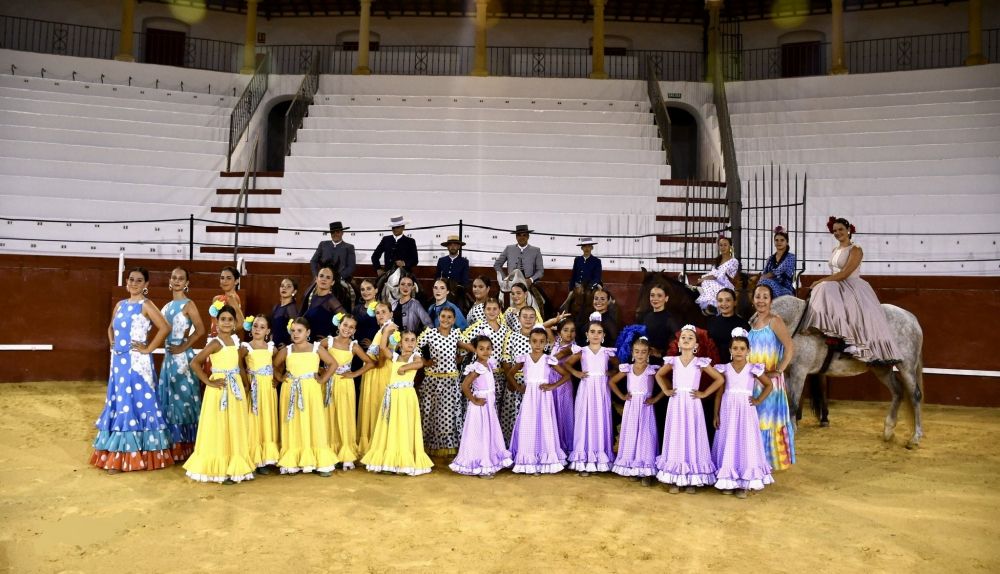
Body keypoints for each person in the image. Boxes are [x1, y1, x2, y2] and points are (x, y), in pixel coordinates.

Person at [91, 267, 173, 473]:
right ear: (126, 282)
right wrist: (113, 343)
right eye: (131, 280)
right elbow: (111, 327)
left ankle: (129, 457)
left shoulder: (147, 305)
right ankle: (121, 454)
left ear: (146, 285)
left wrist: (148, 348)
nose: (134, 283)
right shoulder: (120, 304)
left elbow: (165, 327)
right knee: (120, 402)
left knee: (134, 402)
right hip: (118, 362)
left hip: (137, 363)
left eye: (139, 280)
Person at [806, 216, 901, 364]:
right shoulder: (834, 250)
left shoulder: (856, 250)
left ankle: (852, 343)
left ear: (849, 230)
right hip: (835, 284)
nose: (837, 233)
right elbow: (835, 273)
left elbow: (845, 273)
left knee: (823, 287)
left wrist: (820, 280)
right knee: (824, 288)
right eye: (835, 231)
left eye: (841, 229)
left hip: (851, 284)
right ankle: (831, 332)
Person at [183, 304, 256, 484]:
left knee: (234, 424)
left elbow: (239, 365)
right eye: (223, 319)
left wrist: (246, 384)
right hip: (220, 390)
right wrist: (209, 381)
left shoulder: (236, 341)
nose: (226, 322)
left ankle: (234, 464)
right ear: (217, 322)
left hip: (236, 389)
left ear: (235, 323)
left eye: (230, 319)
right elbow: (194, 363)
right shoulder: (215, 343)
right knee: (220, 425)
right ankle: (220, 469)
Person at [654, 325, 725, 493]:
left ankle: (692, 477)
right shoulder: (673, 361)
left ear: (696, 345)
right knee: (677, 435)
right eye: (683, 337)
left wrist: (704, 393)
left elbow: (719, 379)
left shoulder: (700, 362)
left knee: (692, 435)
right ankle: (675, 477)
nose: (686, 340)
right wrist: (666, 390)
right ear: (678, 343)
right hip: (676, 403)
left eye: (690, 338)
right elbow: (658, 375)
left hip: (693, 404)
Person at [361, 326, 434, 476]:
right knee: (391, 426)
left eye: (413, 340)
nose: (410, 343)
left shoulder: (415, 356)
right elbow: (382, 348)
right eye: (406, 340)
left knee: (404, 425)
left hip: (406, 397)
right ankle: (389, 461)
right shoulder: (395, 357)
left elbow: (420, 364)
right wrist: (387, 331)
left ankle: (404, 461)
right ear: (400, 343)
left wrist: (405, 367)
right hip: (393, 396)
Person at [274, 317, 340, 476]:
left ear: (308, 332)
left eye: (299, 331)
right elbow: (274, 365)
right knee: (294, 422)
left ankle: (320, 461)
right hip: (291, 390)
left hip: (311, 390)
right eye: (293, 331)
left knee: (313, 421)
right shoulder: (287, 350)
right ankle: (293, 460)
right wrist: (280, 377)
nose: (295, 334)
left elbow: (333, 364)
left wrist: (323, 379)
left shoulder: (316, 348)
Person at [713, 329, 775, 499]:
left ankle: (743, 483)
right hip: (728, 411)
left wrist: (758, 400)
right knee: (729, 441)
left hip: (746, 412)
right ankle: (728, 479)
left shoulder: (753, 369)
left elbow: (769, 385)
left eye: (742, 348)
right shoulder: (724, 369)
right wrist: (716, 414)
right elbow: (719, 394)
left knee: (744, 442)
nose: (738, 351)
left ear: (748, 351)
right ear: (730, 350)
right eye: (735, 348)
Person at [158, 266, 206, 462]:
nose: (177, 281)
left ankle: (187, 447)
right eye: (174, 277)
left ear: (186, 283)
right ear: (170, 280)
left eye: (180, 278)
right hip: (168, 359)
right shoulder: (167, 306)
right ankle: (173, 446)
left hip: (182, 360)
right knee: (169, 399)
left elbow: (200, 330)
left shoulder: (189, 304)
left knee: (183, 399)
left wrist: (183, 346)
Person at [508, 328, 570, 475]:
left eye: (542, 341)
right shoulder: (524, 359)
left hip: (544, 398)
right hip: (529, 398)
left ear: (546, 343)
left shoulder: (548, 359)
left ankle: (543, 457)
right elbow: (510, 374)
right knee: (528, 425)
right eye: (534, 341)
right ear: (529, 342)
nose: (538, 344)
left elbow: (566, 375)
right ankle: (529, 458)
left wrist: (552, 386)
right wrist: (519, 387)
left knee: (544, 424)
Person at [450, 336, 513, 478]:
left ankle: (489, 460)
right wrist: (474, 399)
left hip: (489, 405)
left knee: (488, 432)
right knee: (481, 433)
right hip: (481, 406)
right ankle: (481, 463)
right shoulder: (477, 367)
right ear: (476, 350)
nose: (485, 351)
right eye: (481, 349)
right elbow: (465, 385)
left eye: (488, 348)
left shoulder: (489, 364)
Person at [749, 284, 796, 471]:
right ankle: (757, 461)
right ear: (753, 299)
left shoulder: (775, 321)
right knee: (757, 420)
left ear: (771, 301)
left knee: (767, 420)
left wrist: (779, 370)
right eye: (758, 296)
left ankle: (769, 462)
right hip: (754, 382)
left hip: (770, 383)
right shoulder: (753, 323)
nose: (761, 300)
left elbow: (790, 348)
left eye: (765, 297)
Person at [416, 307, 474, 457]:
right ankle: (429, 446)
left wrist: (460, 358)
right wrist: (425, 362)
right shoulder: (430, 333)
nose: (446, 320)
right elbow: (415, 347)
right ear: (438, 317)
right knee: (430, 413)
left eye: (449, 317)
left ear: (454, 320)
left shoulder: (456, 334)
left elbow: (469, 348)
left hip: (450, 381)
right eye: (443, 316)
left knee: (448, 415)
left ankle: (447, 447)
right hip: (433, 381)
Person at [562, 321, 618, 476]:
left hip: (601, 389)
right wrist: (576, 373)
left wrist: (611, 373)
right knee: (584, 419)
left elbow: (618, 367)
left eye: (599, 332)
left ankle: (600, 459)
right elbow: (567, 364)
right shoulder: (582, 351)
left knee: (600, 419)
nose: (595, 335)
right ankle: (583, 459)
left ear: (604, 335)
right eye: (592, 332)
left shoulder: (607, 352)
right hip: (586, 389)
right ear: (587, 335)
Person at [323, 314, 374, 470]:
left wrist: (354, 374)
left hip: (345, 384)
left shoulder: (354, 346)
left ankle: (346, 453)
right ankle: (330, 452)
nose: (347, 329)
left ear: (354, 331)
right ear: (339, 325)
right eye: (345, 325)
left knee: (345, 417)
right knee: (328, 416)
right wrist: (320, 370)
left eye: (351, 327)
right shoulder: (328, 342)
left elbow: (370, 362)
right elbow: (312, 354)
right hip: (329, 383)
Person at [608, 336, 661, 485]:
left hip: (645, 408)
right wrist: (622, 396)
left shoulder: (651, 370)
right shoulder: (628, 369)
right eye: (637, 351)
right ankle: (633, 467)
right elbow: (612, 382)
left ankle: (646, 470)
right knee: (631, 434)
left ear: (648, 353)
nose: (640, 355)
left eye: (643, 352)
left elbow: (666, 385)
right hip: (631, 407)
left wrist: (655, 399)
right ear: (632, 353)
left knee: (646, 436)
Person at [358, 303, 397, 456]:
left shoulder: (390, 328)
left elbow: (385, 350)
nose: (380, 315)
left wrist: (379, 363)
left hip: (381, 371)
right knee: (374, 404)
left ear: (391, 313)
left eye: (384, 312)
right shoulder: (384, 328)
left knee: (378, 404)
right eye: (378, 312)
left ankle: (380, 444)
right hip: (374, 371)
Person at [243, 314, 280, 474]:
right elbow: (238, 365)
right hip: (254, 388)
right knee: (253, 420)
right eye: (255, 326)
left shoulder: (271, 348)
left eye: (262, 327)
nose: (258, 329)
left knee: (266, 420)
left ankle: (264, 459)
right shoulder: (246, 347)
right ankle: (252, 458)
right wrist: (246, 382)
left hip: (268, 390)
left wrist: (277, 378)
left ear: (268, 331)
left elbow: (278, 364)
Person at [548, 318, 579, 454]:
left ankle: (566, 446)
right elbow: (544, 327)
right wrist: (556, 320)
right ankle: (554, 445)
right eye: (565, 330)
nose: (569, 334)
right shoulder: (555, 342)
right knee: (553, 411)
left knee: (564, 413)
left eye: (572, 331)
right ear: (559, 332)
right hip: (551, 380)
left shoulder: (572, 348)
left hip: (564, 382)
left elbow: (555, 358)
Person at [300, 263, 346, 341]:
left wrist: (331, 338)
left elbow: (346, 320)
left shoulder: (331, 300)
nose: (324, 279)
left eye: (328, 277)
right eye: (321, 276)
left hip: (322, 344)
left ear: (332, 282)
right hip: (309, 341)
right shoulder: (314, 297)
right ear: (316, 279)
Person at [694, 235, 740, 314]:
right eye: (721, 245)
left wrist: (705, 278)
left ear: (730, 246)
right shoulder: (718, 260)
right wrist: (703, 278)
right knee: (704, 282)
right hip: (715, 281)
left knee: (706, 282)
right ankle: (708, 306)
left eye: (725, 245)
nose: (723, 247)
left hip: (725, 284)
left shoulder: (734, 261)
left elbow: (721, 276)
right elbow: (713, 273)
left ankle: (714, 306)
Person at [706, 288, 751, 365]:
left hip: (736, 366)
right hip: (714, 366)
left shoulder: (743, 324)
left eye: (728, 300)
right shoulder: (711, 322)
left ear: (735, 302)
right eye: (720, 300)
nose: (724, 304)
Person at [638, 284, 680, 362]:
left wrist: (661, 353)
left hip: (662, 362)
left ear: (666, 298)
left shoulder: (670, 319)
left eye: (659, 296)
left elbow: (680, 342)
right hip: (644, 360)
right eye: (652, 295)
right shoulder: (646, 316)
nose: (655, 299)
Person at [758, 226, 796, 298]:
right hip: (769, 285)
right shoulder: (770, 259)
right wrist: (762, 278)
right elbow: (764, 273)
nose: (779, 242)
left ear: (787, 242)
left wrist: (765, 277)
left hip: (784, 289)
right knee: (760, 284)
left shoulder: (791, 257)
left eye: (782, 240)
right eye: (776, 240)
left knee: (765, 282)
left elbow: (778, 271)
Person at [210, 266, 245, 338]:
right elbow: (214, 323)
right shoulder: (217, 298)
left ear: (236, 281)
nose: (224, 281)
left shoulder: (232, 298)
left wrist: (224, 335)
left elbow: (241, 323)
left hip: (224, 340)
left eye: (228, 278)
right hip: (214, 338)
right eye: (222, 278)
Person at [350, 278, 381, 350]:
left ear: (376, 290)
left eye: (368, 289)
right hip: (356, 347)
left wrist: (373, 345)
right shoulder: (357, 309)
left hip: (374, 349)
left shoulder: (381, 309)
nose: (365, 292)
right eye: (362, 289)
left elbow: (386, 331)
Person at [270, 277, 298, 348]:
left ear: (294, 292)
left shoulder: (291, 308)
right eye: (282, 286)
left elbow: (296, 329)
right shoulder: (276, 307)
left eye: (288, 286)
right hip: (273, 345)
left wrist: (288, 344)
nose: (284, 288)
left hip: (283, 348)